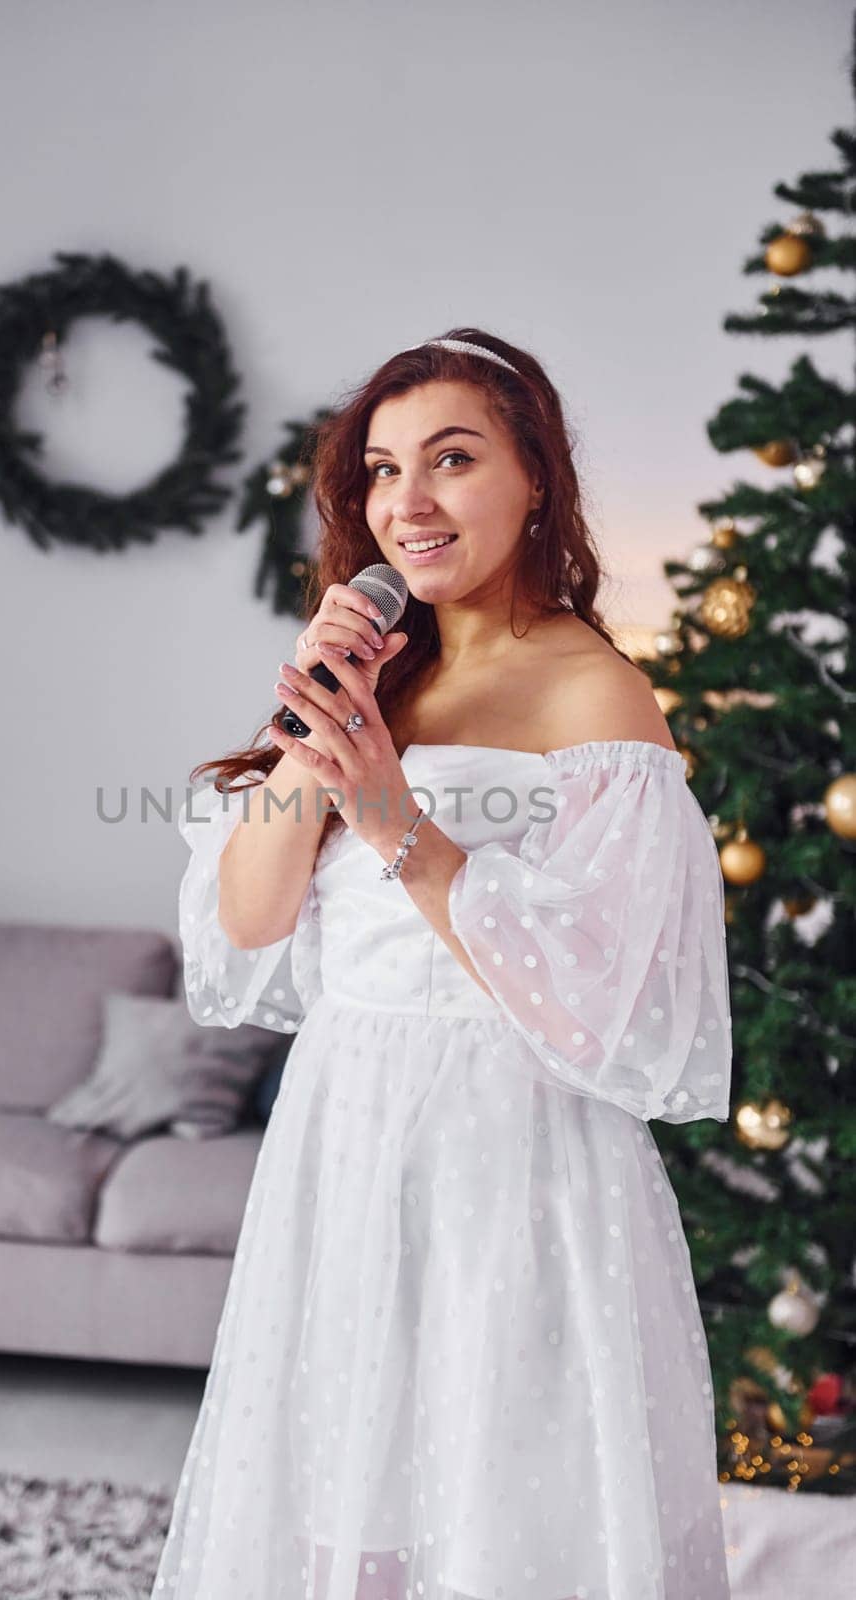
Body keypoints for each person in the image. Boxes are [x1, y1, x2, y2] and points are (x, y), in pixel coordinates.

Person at [154, 330, 734, 1600]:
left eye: (452, 459)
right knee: (337, 1498)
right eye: (379, 469)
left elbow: (604, 999)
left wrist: (392, 821)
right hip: (342, 1128)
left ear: (535, 478)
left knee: (495, 1508)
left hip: (510, 1145)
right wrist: (314, 739)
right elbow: (247, 926)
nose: (405, 503)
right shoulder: (371, 670)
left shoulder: (597, 700)